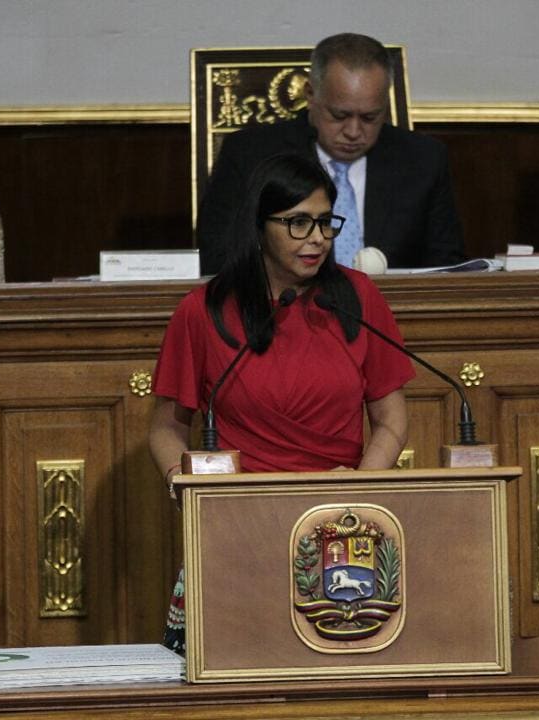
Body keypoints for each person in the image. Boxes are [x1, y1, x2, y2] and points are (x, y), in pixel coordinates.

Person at [150, 152, 415, 653]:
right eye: (298, 223)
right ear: (259, 225)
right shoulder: (203, 310)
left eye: (325, 222)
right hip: (238, 525)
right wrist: (182, 488)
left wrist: (358, 488)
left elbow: (391, 419)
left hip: (339, 528)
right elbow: (166, 428)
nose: (317, 238)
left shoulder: (357, 298)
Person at [197, 32, 466, 275]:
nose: (353, 131)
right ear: (310, 94)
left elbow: (447, 266)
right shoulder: (250, 155)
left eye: (370, 117)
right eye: (339, 115)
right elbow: (218, 255)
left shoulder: (424, 159)